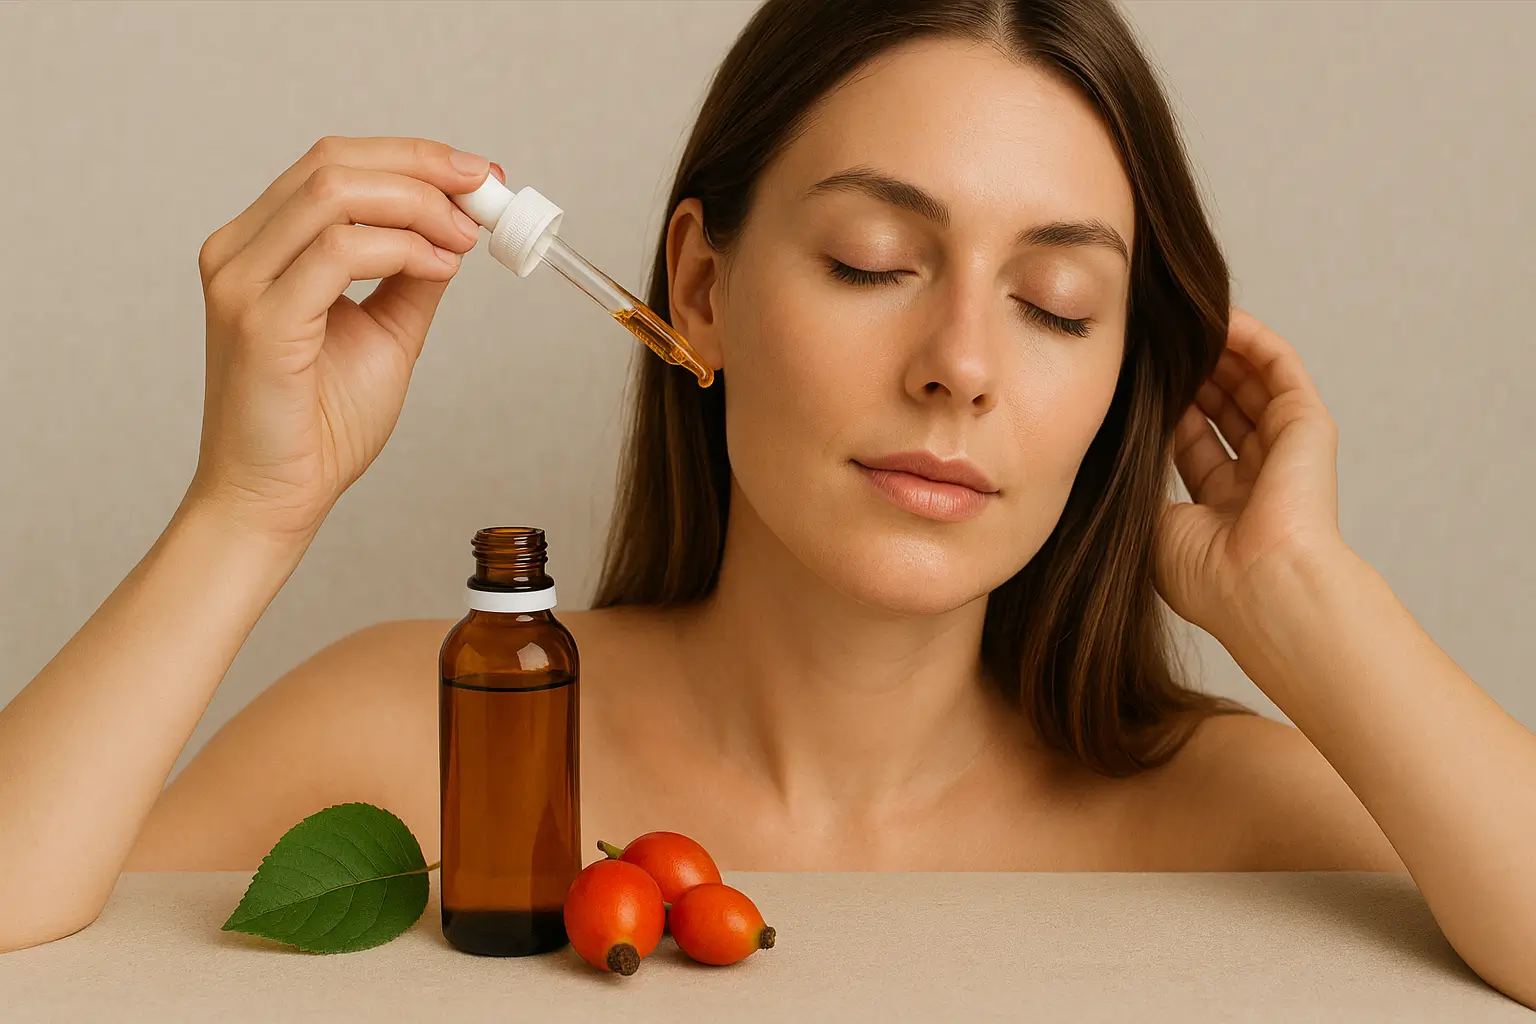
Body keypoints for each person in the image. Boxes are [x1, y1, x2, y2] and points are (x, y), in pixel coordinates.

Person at [1, 0, 1531, 1006]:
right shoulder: (451, 728)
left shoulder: (1233, 815)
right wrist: (248, 507)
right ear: (700, 291)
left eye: (1057, 305)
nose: (961, 365)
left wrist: (1306, 598)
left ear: (1126, 372)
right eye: (875, 263)